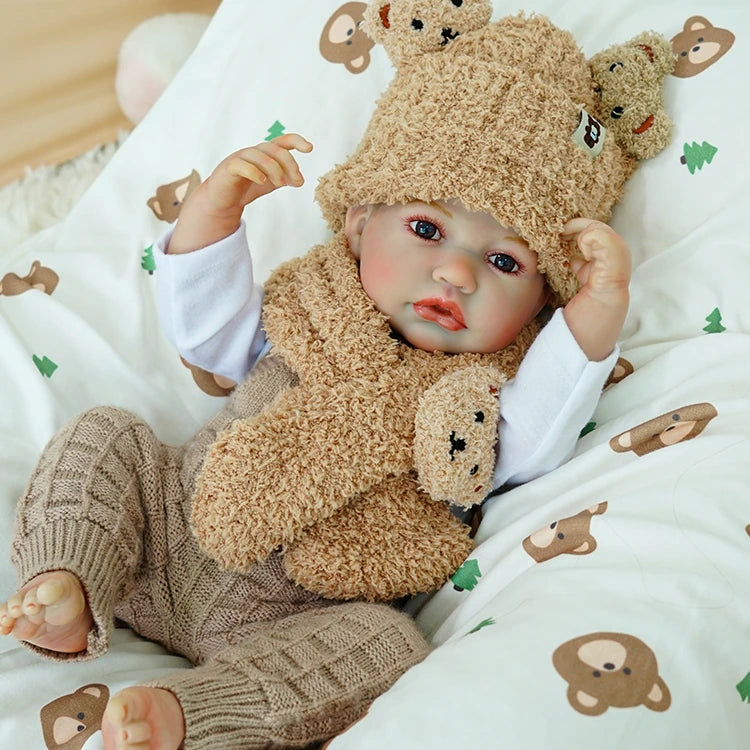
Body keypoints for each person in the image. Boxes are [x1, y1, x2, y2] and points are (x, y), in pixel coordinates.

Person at [0, 7, 671, 749]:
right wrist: (212, 217)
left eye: (505, 261)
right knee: (105, 434)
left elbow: (538, 437)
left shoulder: (481, 403)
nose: (455, 271)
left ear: (543, 299)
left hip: (301, 619)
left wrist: (595, 314)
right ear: (357, 225)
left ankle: (192, 713)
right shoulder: (307, 306)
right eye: (425, 228)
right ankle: (67, 582)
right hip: (164, 533)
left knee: (386, 647)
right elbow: (209, 332)